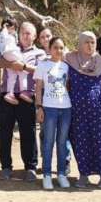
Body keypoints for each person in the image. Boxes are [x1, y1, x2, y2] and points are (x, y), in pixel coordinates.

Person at [0, 22, 46, 183]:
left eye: (29, 33)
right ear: (19, 34)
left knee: (28, 132)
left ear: (34, 36)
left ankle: (30, 167)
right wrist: (13, 64)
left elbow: (42, 71)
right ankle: (5, 166)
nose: (26, 36)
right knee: (5, 132)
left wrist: (23, 66)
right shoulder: (11, 47)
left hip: (28, 97)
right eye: (23, 33)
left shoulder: (39, 53)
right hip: (7, 95)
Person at [66, 32, 101, 188]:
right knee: (80, 141)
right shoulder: (70, 60)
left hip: (99, 110)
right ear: (79, 43)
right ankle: (83, 175)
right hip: (77, 111)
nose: (90, 45)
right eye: (86, 42)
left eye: (92, 42)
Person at [34, 36, 72, 189]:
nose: (58, 50)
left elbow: (68, 87)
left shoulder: (67, 67)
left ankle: (61, 174)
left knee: (62, 143)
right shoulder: (42, 66)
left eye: (61, 47)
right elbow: (38, 88)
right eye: (55, 47)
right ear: (49, 49)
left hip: (66, 108)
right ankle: (47, 175)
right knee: (48, 142)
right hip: (49, 108)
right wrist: (39, 107)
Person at [0, 18, 34, 105]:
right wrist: (4, 28)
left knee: (12, 75)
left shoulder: (3, 35)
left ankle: (10, 93)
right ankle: (24, 91)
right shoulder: (5, 34)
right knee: (23, 71)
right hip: (10, 52)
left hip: (5, 54)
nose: (13, 30)